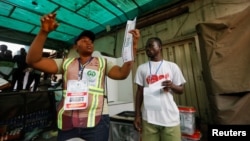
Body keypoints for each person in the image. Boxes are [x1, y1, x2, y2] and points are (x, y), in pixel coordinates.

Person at [26, 13, 140, 141]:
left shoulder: (102, 62)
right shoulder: (66, 62)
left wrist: (133, 48)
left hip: (97, 121)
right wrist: (43, 32)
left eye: (91, 41)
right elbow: (33, 61)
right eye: (84, 40)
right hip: (68, 121)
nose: (89, 43)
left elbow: (122, 74)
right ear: (76, 46)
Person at [133, 37, 186, 141]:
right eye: (146, 47)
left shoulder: (172, 67)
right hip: (148, 119)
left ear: (160, 47)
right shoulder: (141, 68)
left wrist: (172, 86)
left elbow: (181, 90)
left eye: (151, 46)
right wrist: (137, 115)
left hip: (169, 119)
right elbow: (139, 92)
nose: (148, 49)